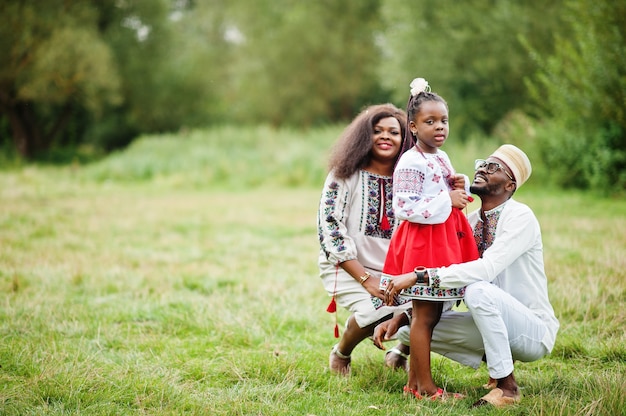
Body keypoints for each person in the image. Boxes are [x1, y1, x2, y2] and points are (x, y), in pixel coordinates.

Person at [374, 144, 560, 408]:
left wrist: (419, 276)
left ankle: (507, 387)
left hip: (531, 332)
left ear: (510, 185)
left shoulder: (520, 217)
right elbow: (453, 285)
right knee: (409, 329)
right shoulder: (471, 222)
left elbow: (485, 270)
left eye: (494, 167)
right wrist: (405, 314)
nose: (482, 168)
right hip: (491, 322)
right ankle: (423, 381)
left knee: (478, 290)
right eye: (483, 162)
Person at [379, 77, 478, 400]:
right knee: (425, 315)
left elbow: (440, 189)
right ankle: (426, 388)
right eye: (430, 121)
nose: (439, 127)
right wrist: (446, 200)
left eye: (444, 121)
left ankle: (413, 384)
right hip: (423, 242)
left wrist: (456, 184)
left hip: (442, 239)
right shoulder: (410, 160)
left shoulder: (440, 156)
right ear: (412, 126)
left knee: (430, 314)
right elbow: (404, 206)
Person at [318, 103, 413, 375]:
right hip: (348, 268)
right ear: (364, 137)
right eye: (377, 131)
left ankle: (399, 352)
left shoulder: (409, 180)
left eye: (393, 132)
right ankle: (342, 352)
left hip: (396, 273)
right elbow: (331, 228)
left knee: (427, 307)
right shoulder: (343, 175)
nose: (385, 136)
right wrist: (366, 279)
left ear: (404, 139)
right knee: (377, 311)